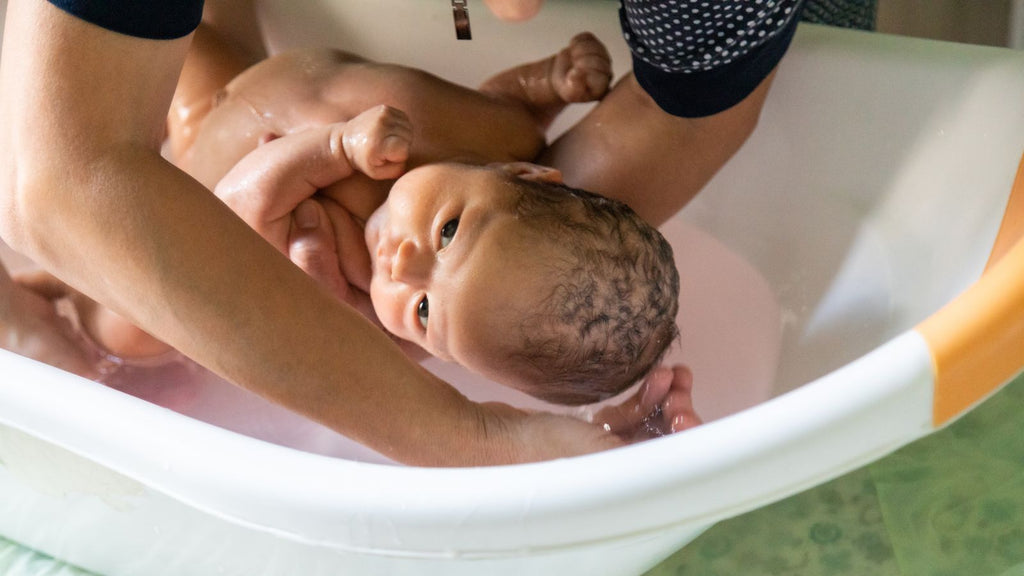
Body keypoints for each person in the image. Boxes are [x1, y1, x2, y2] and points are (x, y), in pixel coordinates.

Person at [0, 0, 697, 465]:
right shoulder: (499, 135)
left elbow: (230, 210)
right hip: (234, 91)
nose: (403, 263)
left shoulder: (355, 310)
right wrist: (546, 83)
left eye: (424, 311)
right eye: (450, 231)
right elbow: (508, 102)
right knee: (207, 42)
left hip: (195, 173)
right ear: (523, 173)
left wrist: (330, 153)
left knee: (125, 327)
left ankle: (32, 310)